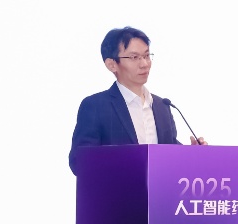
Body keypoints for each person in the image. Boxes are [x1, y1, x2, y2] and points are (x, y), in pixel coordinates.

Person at [68, 26, 206, 173]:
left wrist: (191, 154)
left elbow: (170, 154)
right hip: (117, 188)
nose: (144, 64)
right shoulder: (95, 106)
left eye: (146, 56)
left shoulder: (162, 106)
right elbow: (79, 161)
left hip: (159, 188)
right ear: (112, 64)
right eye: (134, 57)